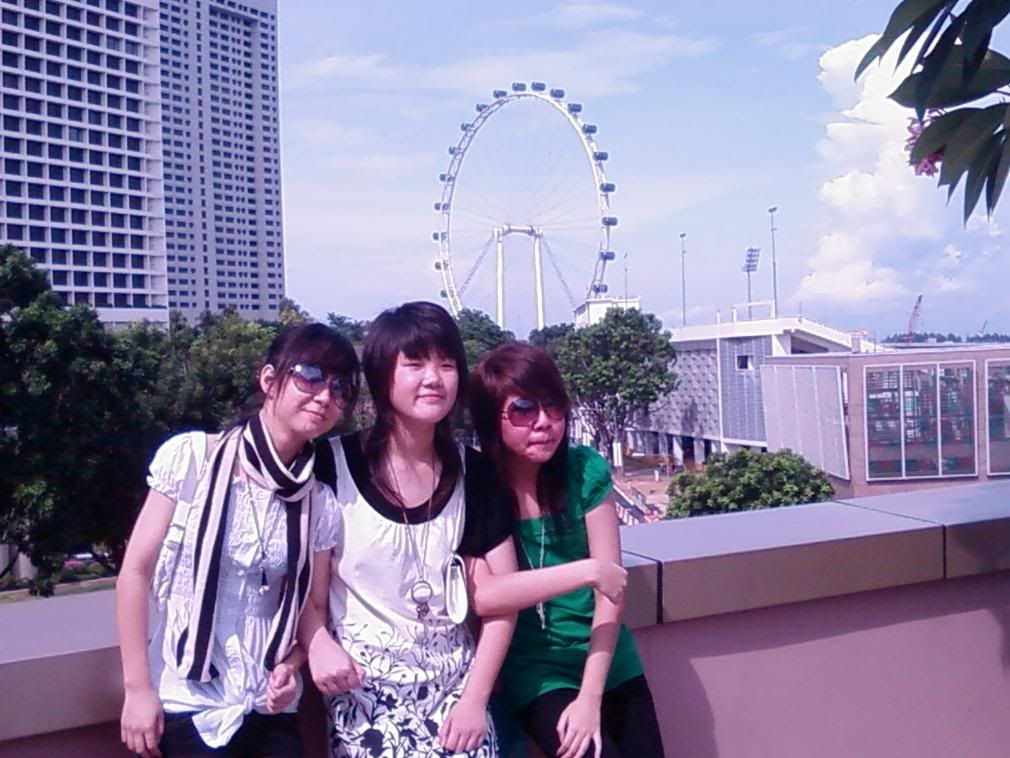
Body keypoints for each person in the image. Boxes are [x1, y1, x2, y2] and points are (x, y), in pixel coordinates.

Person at [116, 323, 360, 757]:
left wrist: (291, 667)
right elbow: (135, 572)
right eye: (310, 376)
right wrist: (137, 689)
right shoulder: (193, 459)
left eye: (341, 388)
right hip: (187, 703)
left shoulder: (317, 500)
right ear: (269, 379)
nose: (325, 396)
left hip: (270, 707)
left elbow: (313, 607)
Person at [299, 301, 520, 758]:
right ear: (383, 376)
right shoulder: (330, 467)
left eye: (446, 364)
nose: (433, 378)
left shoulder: (474, 473)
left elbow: (505, 601)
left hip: (457, 696)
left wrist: (475, 700)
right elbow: (305, 590)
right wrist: (316, 644)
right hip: (364, 698)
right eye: (415, 364)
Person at [468, 342, 665, 758]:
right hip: (537, 673)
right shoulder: (479, 488)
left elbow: (611, 593)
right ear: (490, 419)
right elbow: (486, 596)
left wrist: (590, 698)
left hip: (607, 658)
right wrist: (587, 570)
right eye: (523, 410)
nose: (543, 422)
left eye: (553, 406)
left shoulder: (583, 470)